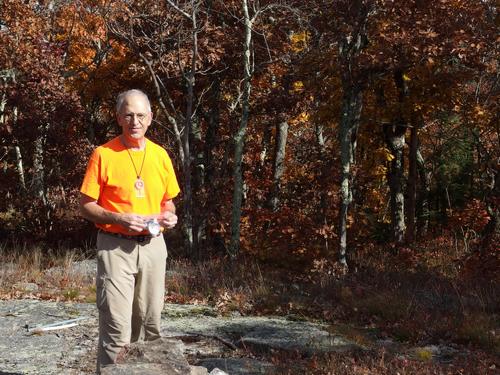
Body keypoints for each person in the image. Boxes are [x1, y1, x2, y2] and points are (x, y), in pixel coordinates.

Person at [79, 89, 180, 372]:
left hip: (153, 248)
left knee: (150, 326)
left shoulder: (160, 156)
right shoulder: (103, 154)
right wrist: (118, 218)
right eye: (128, 115)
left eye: (140, 115)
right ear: (119, 118)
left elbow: (168, 203)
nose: (135, 121)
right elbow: (85, 206)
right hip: (114, 247)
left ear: (150, 118)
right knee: (116, 329)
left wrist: (169, 217)